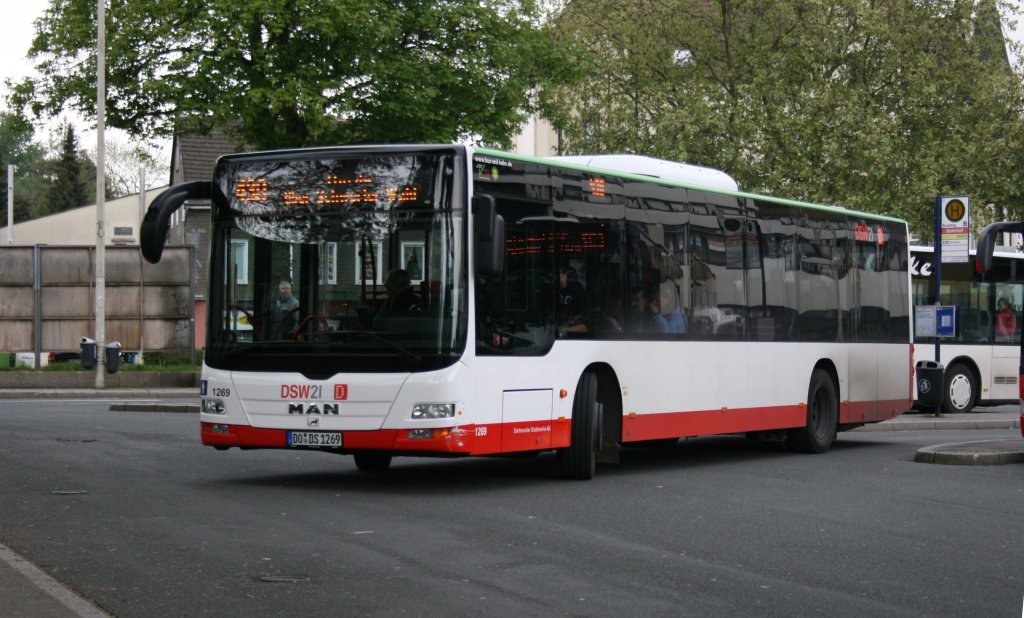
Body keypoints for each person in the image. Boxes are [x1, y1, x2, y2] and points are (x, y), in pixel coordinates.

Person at [557, 265, 588, 335]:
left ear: (565, 276)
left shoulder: (578, 292)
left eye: (559, 274)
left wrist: (565, 329)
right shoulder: (557, 290)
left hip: (572, 336)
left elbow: (586, 325)